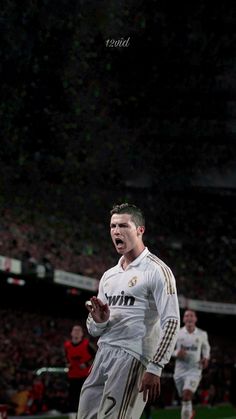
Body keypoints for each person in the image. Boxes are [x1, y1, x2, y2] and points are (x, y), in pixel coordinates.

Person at [77, 203, 180, 419]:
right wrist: (99, 321)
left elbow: (171, 321)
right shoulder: (109, 275)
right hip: (103, 354)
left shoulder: (158, 271)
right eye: (113, 226)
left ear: (140, 230)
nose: (116, 231)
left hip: (133, 356)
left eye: (123, 225)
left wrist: (156, 366)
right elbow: (93, 328)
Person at [172, 309, 211, 419]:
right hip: (179, 370)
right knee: (184, 398)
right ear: (183, 319)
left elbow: (206, 347)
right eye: (187, 315)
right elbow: (168, 350)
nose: (189, 317)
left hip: (195, 369)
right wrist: (176, 353)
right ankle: (190, 413)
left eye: (191, 315)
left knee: (186, 395)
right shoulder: (177, 333)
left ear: (195, 319)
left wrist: (206, 357)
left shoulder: (202, 334)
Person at [64, 324, 96, 413]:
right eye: (75, 330)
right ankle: (73, 413)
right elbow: (66, 357)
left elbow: (98, 356)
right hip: (72, 376)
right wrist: (67, 363)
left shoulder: (87, 344)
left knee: (85, 397)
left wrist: (86, 364)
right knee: (73, 397)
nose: (77, 332)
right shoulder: (67, 345)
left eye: (79, 330)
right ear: (71, 333)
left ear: (82, 334)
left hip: (86, 376)